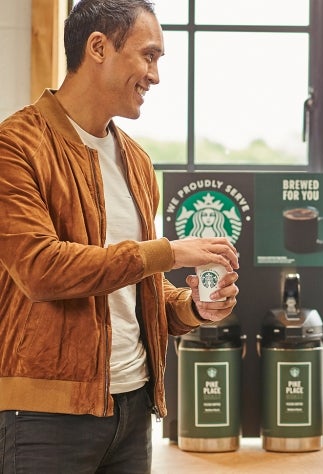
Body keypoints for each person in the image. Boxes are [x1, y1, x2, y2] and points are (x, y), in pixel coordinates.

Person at [0, 1, 240, 472]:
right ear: (98, 47)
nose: (155, 76)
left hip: (133, 409)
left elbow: (135, 285)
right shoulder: (15, 145)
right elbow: (41, 270)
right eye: (148, 56)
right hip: (43, 417)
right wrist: (168, 251)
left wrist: (192, 307)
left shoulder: (135, 161)